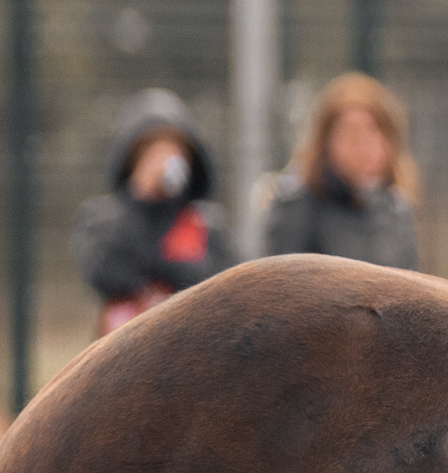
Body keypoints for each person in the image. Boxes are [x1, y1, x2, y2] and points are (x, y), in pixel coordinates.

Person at [74, 88, 237, 335]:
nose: (164, 159)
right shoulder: (101, 218)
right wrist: (143, 197)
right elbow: (106, 273)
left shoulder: (205, 222)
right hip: (124, 346)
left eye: (174, 148)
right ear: (131, 158)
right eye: (151, 150)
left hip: (195, 345)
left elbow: (224, 282)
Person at [258, 73, 420, 269]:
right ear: (325, 142)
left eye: (373, 130)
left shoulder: (396, 213)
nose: (363, 144)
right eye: (350, 131)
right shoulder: (295, 208)